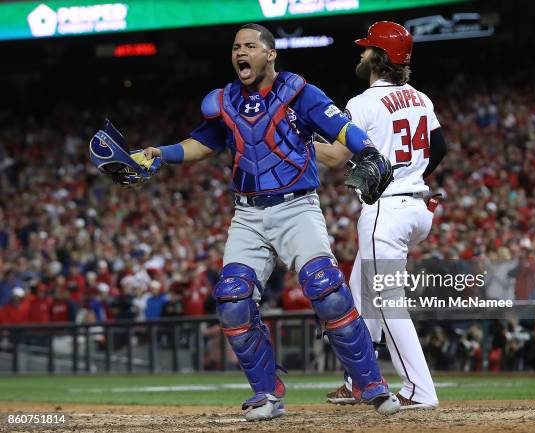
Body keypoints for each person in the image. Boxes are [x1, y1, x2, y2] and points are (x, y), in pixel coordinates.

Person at [89, 23, 398, 420]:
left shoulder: (299, 93)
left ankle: (372, 384)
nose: (240, 53)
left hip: (296, 207)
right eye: (236, 47)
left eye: (250, 46)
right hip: (248, 214)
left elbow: (342, 128)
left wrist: (369, 150)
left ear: (270, 54)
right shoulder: (225, 101)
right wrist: (160, 153)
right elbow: (203, 143)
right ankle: (267, 395)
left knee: (327, 290)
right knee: (233, 299)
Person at [315, 21, 447, 409]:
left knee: (387, 300)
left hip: (386, 212)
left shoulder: (363, 102)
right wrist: (412, 178)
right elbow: (439, 147)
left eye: (366, 48)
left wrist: (300, 142)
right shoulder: (421, 98)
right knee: (360, 293)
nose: (361, 53)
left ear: (379, 57)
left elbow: (338, 156)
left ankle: (420, 390)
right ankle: (358, 381)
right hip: (418, 208)